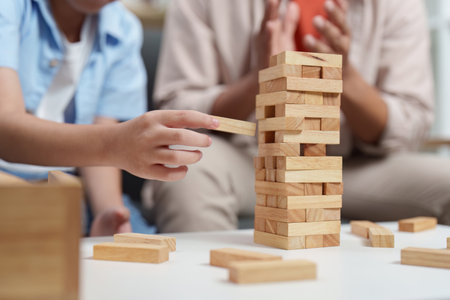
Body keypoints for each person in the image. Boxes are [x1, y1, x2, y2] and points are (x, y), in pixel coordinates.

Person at [146, 0, 450, 233]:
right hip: (250, 160)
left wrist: (344, 78)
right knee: (186, 170)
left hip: (352, 164)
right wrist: (260, 79)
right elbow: (178, 111)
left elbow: (411, 123)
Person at [0, 0, 219, 236]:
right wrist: (114, 144)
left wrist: (110, 213)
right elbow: (5, 130)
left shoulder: (123, 28)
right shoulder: (10, 8)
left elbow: (102, 139)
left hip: (70, 186)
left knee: (139, 245)